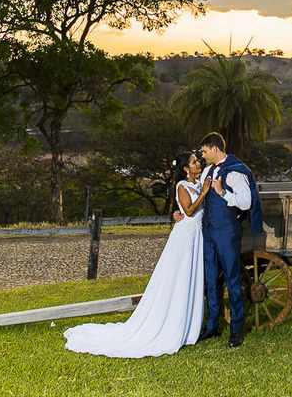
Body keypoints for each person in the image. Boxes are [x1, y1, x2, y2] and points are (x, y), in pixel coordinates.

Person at [63, 152, 208, 358]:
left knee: (189, 278)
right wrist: (204, 193)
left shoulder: (199, 183)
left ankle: (188, 324)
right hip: (185, 237)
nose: (198, 163)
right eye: (194, 162)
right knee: (179, 278)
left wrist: (202, 191)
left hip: (196, 234)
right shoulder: (182, 186)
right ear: (185, 169)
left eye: (197, 161)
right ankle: (173, 325)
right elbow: (189, 210)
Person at [181, 131, 262, 349]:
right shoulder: (207, 170)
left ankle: (235, 330)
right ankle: (212, 325)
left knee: (232, 280)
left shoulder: (236, 172)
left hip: (227, 231)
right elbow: (197, 197)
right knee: (210, 279)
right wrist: (180, 212)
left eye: (205, 151)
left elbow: (245, 203)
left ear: (215, 149)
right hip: (208, 231)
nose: (203, 156)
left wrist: (223, 192)